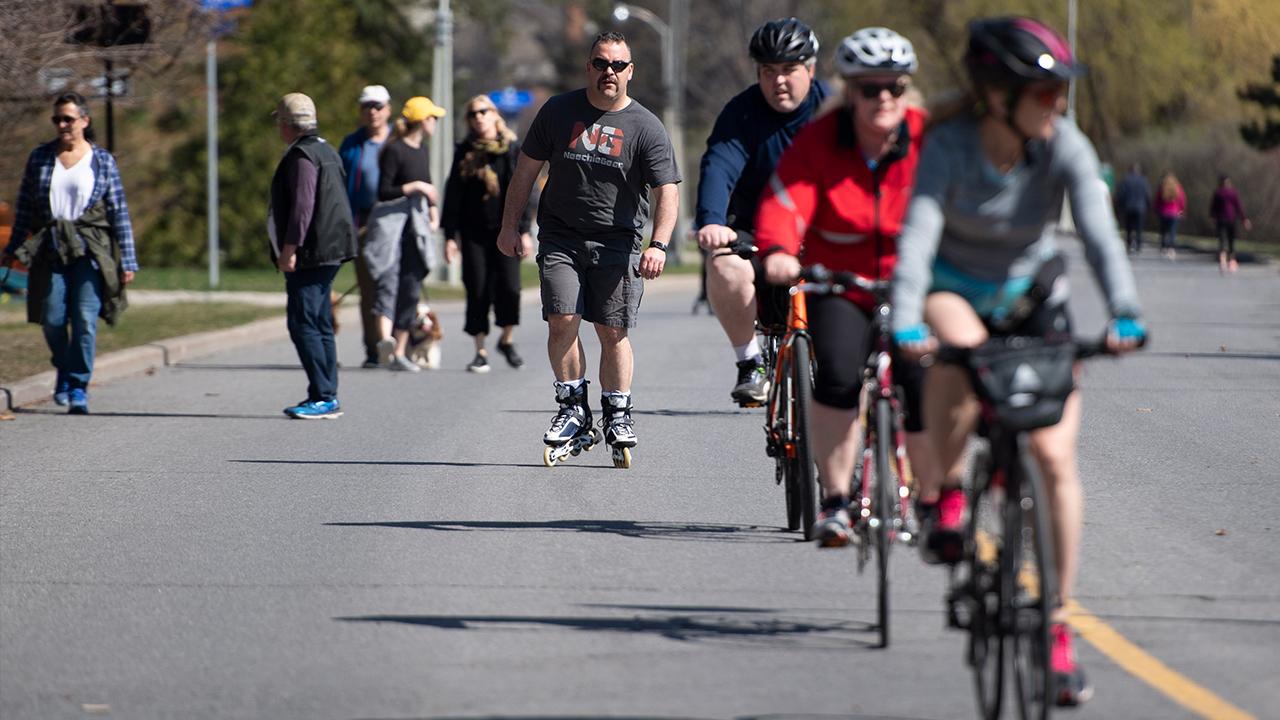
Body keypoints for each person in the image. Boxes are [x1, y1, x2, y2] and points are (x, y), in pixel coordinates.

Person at [890, 17, 1146, 706]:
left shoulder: (1061, 143)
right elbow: (916, 237)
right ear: (999, 95)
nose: (1056, 105)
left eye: (1059, 93)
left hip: (1035, 295)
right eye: (1043, 92)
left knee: (1056, 460)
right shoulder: (948, 147)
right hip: (955, 292)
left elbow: (1096, 226)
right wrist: (905, 317)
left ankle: (1057, 628)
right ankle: (943, 494)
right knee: (957, 355)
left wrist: (1124, 310)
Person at [755, 27, 935, 546]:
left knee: (925, 382)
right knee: (835, 375)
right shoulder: (821, 140)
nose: (883, 99)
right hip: (841, 281)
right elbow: (787, 200)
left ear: (906, 91)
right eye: (869, 88)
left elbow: (959, 202)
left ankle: (930, 498)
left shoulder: (927, 139)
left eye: (894, 88)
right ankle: (835, 501)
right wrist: (781, 251)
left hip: (911, 280)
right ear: (849, 92)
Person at [497, 31, 680, 462]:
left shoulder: (646, 126)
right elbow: (525, 172)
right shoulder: (559, 111)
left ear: (630, 71)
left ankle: (617, 411)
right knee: (562, 319)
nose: (609, 73)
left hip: (618, 240)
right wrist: (510, 226)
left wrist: (659, 244)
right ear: (589, 67)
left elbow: (666, 190)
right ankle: (572, 409)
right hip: (561, 235)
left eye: (618, 65)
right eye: (601, 64)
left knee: (611, 330)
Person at [694, 17, 827, 405]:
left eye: (789, 70)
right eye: (769, 72)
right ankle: (750, 363)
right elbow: (719, 164)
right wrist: (712, 221)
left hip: (821, 233)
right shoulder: (742, 112)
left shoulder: (833, 110)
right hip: (754, 230)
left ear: (811, 70)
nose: (779, 81)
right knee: (723, 265)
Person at [1, 92, 137, 415]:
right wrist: (12, 248)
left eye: (69, 119)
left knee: (86, 320)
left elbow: (119, 211)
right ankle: (63, 367)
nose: (62, 124)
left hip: (90, 248)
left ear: (84, 121)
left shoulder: (102, 160)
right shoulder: (40, 158)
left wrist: (128, 259)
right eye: (57, 119)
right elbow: (24, 208)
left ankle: (78, 385)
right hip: (51, 248)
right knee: (52, 317)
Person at [268, 93, 357, 419]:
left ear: (288, 124)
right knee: (318, 322)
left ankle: (323, 396)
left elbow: (303, 207)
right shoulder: (325, 150)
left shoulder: (303, 156)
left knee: (304, 323)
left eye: (280, 121)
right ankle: (326, 394)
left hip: (313, 252)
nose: (279, 127)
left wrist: (290, 248)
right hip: (329, 249)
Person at [442, 94, 533, 373]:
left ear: (495, 115)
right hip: (473, 232)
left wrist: (525, 230)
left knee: (510, 287)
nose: (479, 117)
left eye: (483, 112)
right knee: (477, 287)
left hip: (507, 230)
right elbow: (453, 195)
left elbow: (526, 190)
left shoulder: (512, 149)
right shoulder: (465, 150)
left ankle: (506, 340)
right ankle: (480, 350)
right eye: (473, 114)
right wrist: (449, 236)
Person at [364, 96, 445, 372]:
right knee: (388, 284)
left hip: (415, 229)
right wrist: (415, 187)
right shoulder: (394, 150)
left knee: (411, 290)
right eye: (433, 118)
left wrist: (433, 210)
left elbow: (429, 187)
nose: (436, 123)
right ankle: (386, 341)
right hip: (391, 228)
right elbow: (384, 191)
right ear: (423, 120)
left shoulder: (422, 150)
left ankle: (399, 352)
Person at [339, 84, 393, 368]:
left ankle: (398, 344)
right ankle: (373, 348)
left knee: (395, 286)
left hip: (394, 223)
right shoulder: (351, 144)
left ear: (388, 110)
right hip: (361, 223)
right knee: (368, 290)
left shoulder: (399, 139)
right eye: (367, 106)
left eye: (378, 106)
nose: (373, 112)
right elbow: (338, 183)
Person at [1210, 174, 1250, 273]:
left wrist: (1212, 217)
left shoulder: (1218, 193)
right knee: (1230, 241)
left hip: (1222, 220)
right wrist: (1244, 219)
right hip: (1230, 219)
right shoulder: (1232, 193)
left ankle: (1224, 261)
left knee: (1223, 241)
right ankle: (1230, 262)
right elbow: (1238, 207)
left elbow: (1212, 208)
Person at [1115, 163, 1150, 254]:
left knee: (1129, 227)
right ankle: (1138, 245)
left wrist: (1120, 206)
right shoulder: (1144, 180)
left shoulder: (1126, 180)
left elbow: (1121, 194)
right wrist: (1148, 205)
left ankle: (1129, 243)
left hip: (1128, 207)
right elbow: (1147, 195)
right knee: (1139, 227)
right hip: (1140, 207)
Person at [1154, 170, 1185, 260]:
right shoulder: (1178, 188)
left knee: (1163, 231)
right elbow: (1182, 201)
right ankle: (1171, 249)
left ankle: (1163, 248)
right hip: (1174, 213)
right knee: (1172, 232)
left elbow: (1157, 201)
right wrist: (1181, 212)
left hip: (1163, 213)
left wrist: (1156, 210)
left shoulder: (1162, 187)